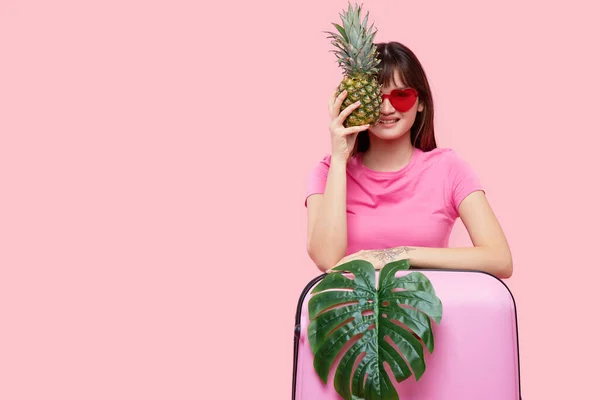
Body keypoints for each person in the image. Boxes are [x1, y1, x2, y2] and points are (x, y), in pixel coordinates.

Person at [305, 41, 513, 279]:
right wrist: (340, 161)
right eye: (375, 97)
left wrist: (396, 255)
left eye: (401, 95)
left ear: (421, 102)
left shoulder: (448, 169)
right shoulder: (327, 172)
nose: (386, 108)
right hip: (350, 313)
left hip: (426, 314)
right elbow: (327, 260)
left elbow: (500, 259)